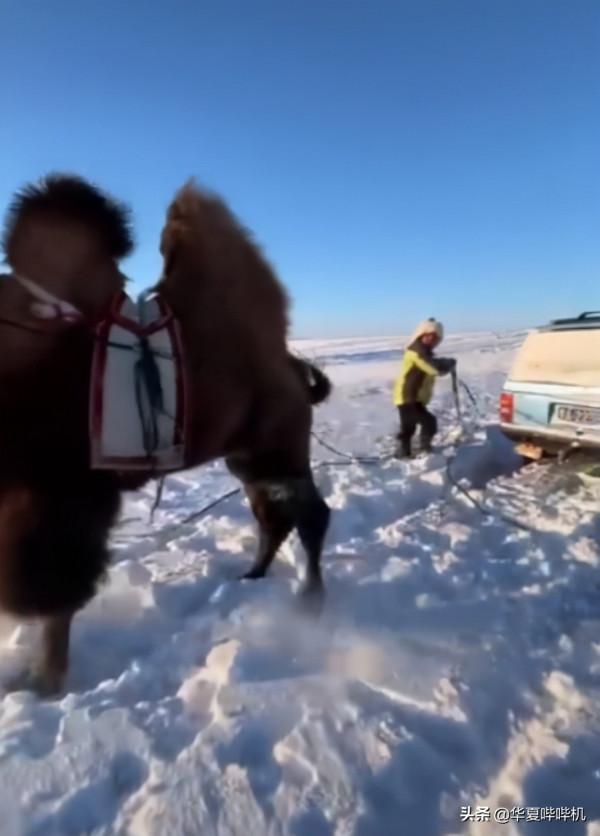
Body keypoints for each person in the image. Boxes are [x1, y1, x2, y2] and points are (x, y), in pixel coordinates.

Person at [392, 318, 456, 458]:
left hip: (411, 397)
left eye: (435, 338)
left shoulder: (423, 351)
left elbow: (431, 362)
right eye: (429, 336)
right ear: (421, 334)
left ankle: (403, 452)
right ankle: (423, 449)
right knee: (428, 422)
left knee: (409, 426)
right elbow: (432, 368)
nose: (432, 340)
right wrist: (446, 365)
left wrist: (445, 362)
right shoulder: (416, 351)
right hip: (408, 396)